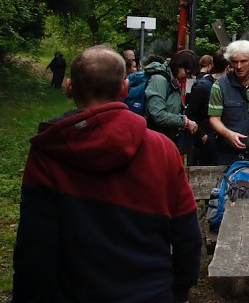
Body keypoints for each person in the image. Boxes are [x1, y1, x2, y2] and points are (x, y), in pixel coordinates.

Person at [13, 45, 201, 302]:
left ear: (69, 87)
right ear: (124, 88)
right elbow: (187, 234)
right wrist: (178, 289)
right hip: (151, 291)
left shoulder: (48, 151)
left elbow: (35, 245)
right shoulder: (162, 149)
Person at [144, 50, 199, 151]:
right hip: (153, 142)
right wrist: (184, 122)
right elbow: (158, 114)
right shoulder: (159, 80)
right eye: (187, 72)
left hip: (163, 140)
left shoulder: (171, 80)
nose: (187, 77)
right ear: (178, 65)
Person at [185, 50, 229, 166]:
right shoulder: (203, 87)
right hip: (208, 143)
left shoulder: (231, 85)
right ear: (228, 67)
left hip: (226, 142)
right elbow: (191, 114)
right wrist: (203, 135)